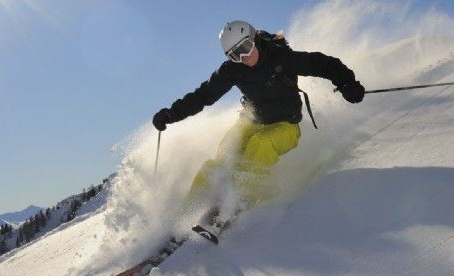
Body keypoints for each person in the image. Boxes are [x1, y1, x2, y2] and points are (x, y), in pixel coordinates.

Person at [152, 20, 364, 213]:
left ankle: (242, 201)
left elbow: (322, 63)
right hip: (252, 122)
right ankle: (186, 214)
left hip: (286, 126)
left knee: (259, 144)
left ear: (253, 39)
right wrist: (172, 114)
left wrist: (347, 83)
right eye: (236, 55)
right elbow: (204, 95)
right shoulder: (232, 71)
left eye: (245, 48)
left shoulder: (281, 58)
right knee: (222, 160)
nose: (244, 57)